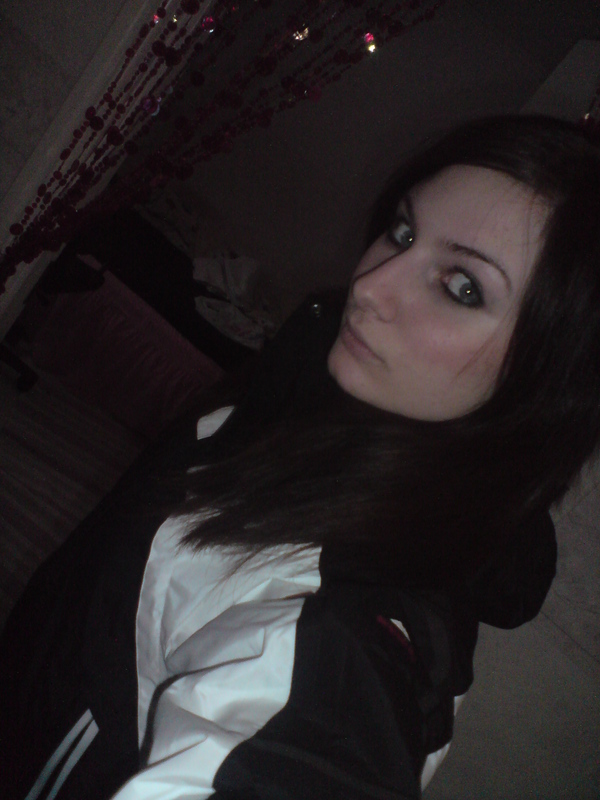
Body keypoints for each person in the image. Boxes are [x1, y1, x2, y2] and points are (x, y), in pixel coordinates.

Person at [1, 114, 600, 800]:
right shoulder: (312, 377)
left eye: (462, 287)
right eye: (403, 232)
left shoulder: (356, 639)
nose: (371, 285)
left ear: (545, 375)